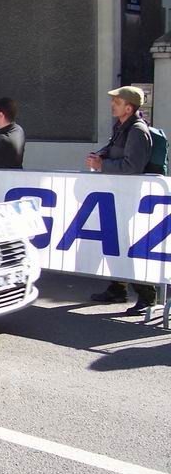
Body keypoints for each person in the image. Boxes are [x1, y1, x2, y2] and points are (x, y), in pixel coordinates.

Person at [87, 85, 155, 315]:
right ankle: (118, 288)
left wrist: (101, 165)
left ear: (129, 107)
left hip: (129, 198)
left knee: (127, 245)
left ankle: (147, 296)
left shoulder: (136, 130)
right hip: (117, 196)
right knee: (116, 244)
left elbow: (132, 166)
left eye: (117, 101)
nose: (112, 104)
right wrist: (101, 154)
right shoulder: (121, 127)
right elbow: (114, 149)